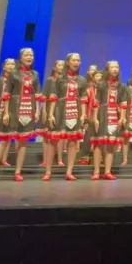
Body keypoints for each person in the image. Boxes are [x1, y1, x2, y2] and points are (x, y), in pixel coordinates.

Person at [0, 48, 40, 182]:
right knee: (4, 141)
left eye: (31, 55)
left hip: (28, 110)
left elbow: (36, 95)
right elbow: (6, 95)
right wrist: (5, 113)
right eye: (27, 55)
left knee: (23, 143)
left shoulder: (35, 75)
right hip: (12, 110)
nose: (30, 57)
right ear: (20, 58)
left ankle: (17, 172)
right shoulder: (13, 74)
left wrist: (37, 111)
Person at [46, 53, 88, 181]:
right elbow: (54, 97)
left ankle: (69, 171)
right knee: (53, 141)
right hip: (60, 110)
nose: (76, 62)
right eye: (74, 60)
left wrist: (83, 114)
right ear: (68, 62)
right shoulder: (59, 79)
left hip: (75, 111)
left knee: (73, 142)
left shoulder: (82, 80)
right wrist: (50, 114)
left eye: (78, 60)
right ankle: (48, 171)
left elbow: (83, 99)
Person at [92, 61, 126, 180]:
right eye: (112, 67)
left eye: (117, 67)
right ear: (108, 69)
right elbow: (96, 103)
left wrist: (122, 117)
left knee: (111, 145)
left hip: (114, 116)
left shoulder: (121, 86)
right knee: (98, 144)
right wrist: (95, 118)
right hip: (102, 115)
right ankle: (96, 171)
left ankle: (107, 171)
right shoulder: (101, 84)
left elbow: (123, 104)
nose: (115, 69)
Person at [41, 59, 66, 169]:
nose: (62, 67)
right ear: (54, 68)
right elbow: (44, 96)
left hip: (61, 108)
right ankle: (45, 160)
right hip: (49, 108)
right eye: (59, 65)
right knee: (47, 136)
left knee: (60, 135)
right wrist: (44, 111)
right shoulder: (50, 80)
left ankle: (59, 159)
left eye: (63, 65)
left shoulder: (65, 81)